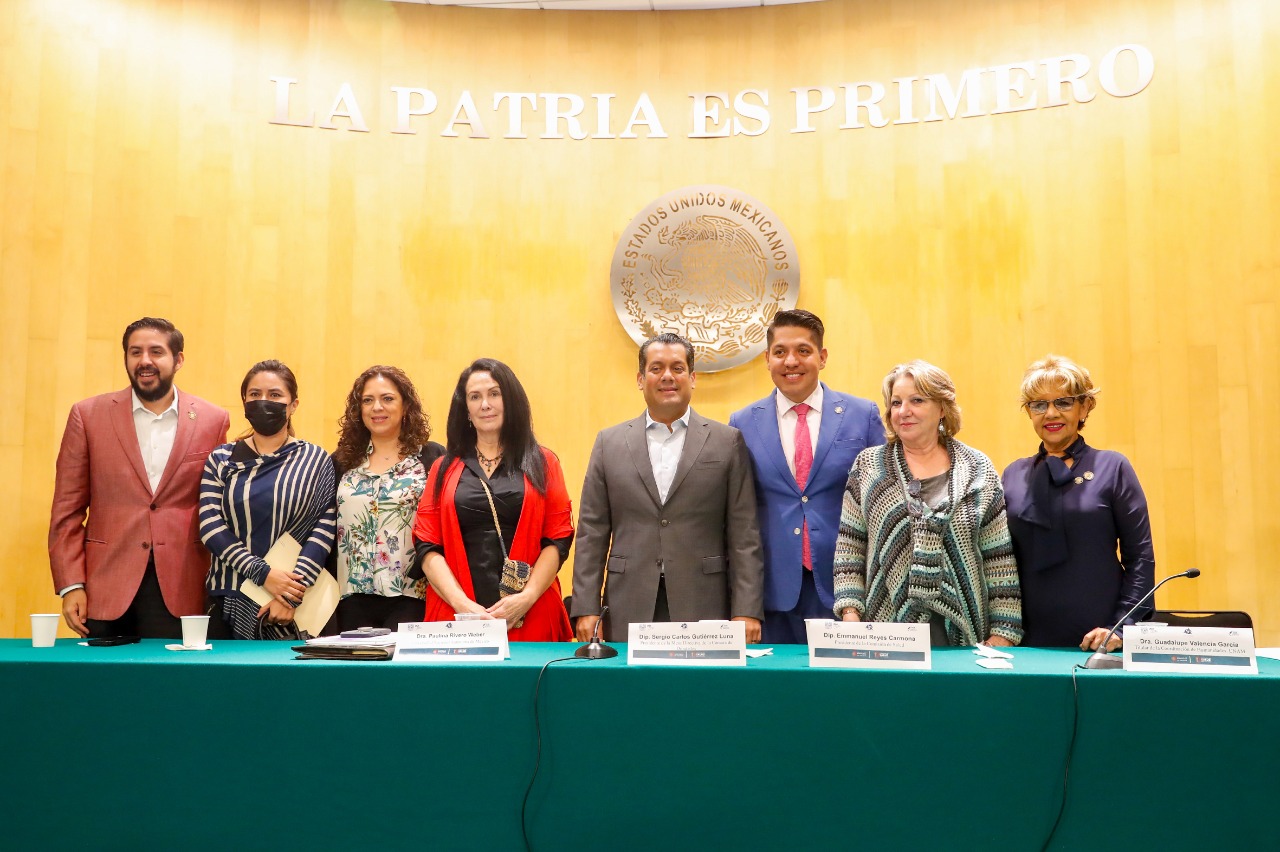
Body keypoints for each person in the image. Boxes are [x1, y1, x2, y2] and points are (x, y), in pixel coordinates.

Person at [572, 333, 765, 643]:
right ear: (640, 379)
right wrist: (586, 607)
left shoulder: (726, 442)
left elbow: (744, 535)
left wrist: (747, 609)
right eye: (656, 368)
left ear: (692, 378)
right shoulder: (609, 443)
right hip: (627, 602)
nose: (667, 377)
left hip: (704, 601)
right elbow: (591, 532)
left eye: (677, 368)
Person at [48, 317, 231, 639]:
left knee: (173, 672)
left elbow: (218, 506)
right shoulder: (87, 416)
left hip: (183, 587)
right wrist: (71, 584)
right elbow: (67, 509)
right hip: (105, 587)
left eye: (156, 352)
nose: (145, 360)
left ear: (178, 359)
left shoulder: (212, 420)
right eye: (135, 352)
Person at [832, 360, 1022, 647]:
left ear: (942, 408)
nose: (903, 411)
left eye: (917, 400)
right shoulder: (869, 466)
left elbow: (998, 557)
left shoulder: (977, 468)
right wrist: (850, 612)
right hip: (885, 633)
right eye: (896, 403)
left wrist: (1003, 631)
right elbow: (850, 546)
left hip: (965, 634)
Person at [729, 310, 884, 643]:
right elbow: (738, 516)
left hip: (847, 589)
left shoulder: (862, 415)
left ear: (822, 357)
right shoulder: (742, 423)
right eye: (780, 352)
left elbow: (882, 504)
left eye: (803, 350)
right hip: (772, 591)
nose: (791, 361)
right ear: (767, 359)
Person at [411, 358, 574, 641]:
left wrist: (526, 598)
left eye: (494, 394)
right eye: (475, 397)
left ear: (510, 401)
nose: (485, 404)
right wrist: (463, 607)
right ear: (466, 410)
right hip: (457, 618)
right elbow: (427, 545)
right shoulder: (442, 469)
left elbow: (557, 539)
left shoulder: (544, 463)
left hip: (530, 613)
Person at [1002, 355, 1155, 651]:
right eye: (1039, 405)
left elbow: (1140, 558)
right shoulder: (1013, 475)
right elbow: (999, 563)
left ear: (1084, 407)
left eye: (1063, 402)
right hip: (1026, 642)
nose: (1050, 413)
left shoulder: (1112, 467)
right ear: (1029, 412)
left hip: (1101, 639)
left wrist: (1121, 627)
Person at [199, 360, 337, 640]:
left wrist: (289, 595)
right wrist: (262, 573)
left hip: (292, 605)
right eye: (255, 394)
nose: (264, 401)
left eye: (275, 395)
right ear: (244, 401)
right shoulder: (221, 459)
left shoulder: (316, 460)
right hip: (228, 597)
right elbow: (211, 527)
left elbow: (323, 530)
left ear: (293, 404)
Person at [331, 366, 444, 632]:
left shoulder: (432, 458)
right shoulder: (342, 461)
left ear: (406, 406)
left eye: (388, 398)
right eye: (367, 400)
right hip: (350, 597)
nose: (377, 407)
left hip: (413, 596)